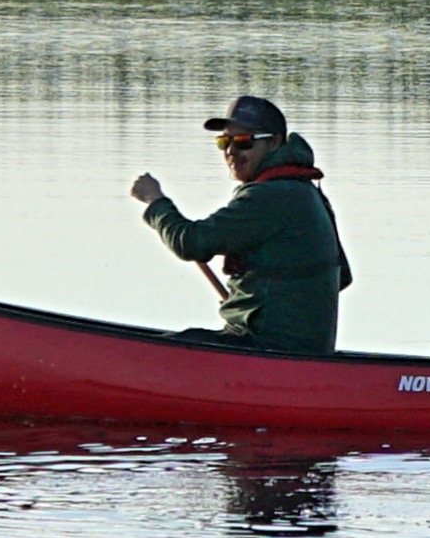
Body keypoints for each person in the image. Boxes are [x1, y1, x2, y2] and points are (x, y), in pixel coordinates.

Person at [129, 94, 350, 355]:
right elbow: (342, 277)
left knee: (156, 353)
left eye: (244, 142)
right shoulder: (306, 190)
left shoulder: (271, 195)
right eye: (224, 141)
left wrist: (155, 201)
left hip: (271, 350)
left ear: (274, 143)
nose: (231, 152)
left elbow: (190, 242)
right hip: (298, 349)